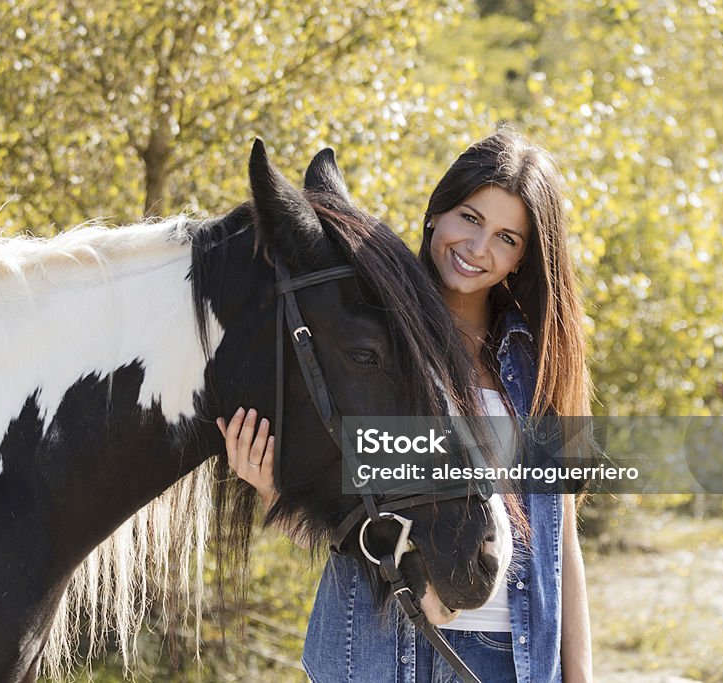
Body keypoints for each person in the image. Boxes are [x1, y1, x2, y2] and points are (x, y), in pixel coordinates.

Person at [218, 127, 593, 682]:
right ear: (436, 214)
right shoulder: (368, 340)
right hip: (373, 651)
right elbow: (345, 521)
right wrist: (273, 486)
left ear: (522, 259)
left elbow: (560, 539)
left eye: (506, 238)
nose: (478, 248)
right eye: (469, 218)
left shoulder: (538, 364)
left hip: (508, 658)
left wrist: (579, 676)